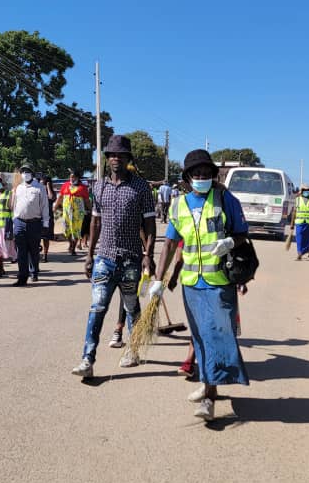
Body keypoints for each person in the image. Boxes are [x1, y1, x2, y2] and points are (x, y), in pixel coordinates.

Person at [150, 149, 250, 420]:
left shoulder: (225, 199)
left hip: (219, 281)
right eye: (197, 174)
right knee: (199, 335)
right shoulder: (179, 205)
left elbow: (242, 233)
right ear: (187, 177)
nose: (202, 177)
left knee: (215, 335)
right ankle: (208, 382)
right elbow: (170, 243)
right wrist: (159, 280)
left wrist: (230, 242)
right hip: (192, 283)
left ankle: (208, 395)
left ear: (213, 175)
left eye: (207, 173)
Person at [71, 135, 156, 378]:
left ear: (128, 158)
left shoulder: (141, 187)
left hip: (131, 260)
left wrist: (147, 254)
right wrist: (89, 255)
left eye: (120, 154)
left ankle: (133, 349)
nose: (115, 158)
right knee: (97, 307)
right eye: (111, 155)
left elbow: (150, 225)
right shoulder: (99, 187)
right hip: (104, 259)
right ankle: (87, 360)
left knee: (131, 307)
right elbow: (95, 222)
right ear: (107, 159)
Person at [9, 163, 50, 286]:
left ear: (32, 173)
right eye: (23, 172)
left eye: (27, 171)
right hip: (19, 222)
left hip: (34, 223)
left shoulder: (39, 187)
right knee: (21, 251)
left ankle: (34, 272)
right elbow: (14, 205)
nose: (25, 174)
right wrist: (14, 220)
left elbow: (44, 206)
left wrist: (46, 223)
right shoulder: (18, 188)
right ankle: (22, 277)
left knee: (33, 250)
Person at [54, 170, 90, 257]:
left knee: (76, 230)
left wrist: (91, 209)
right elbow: (60, 197)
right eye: (70, 177)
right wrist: (55, 206)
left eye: (73, 177)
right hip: (66, 211)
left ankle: (73, 248)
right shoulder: (65, 185)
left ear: (78, 178)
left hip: (78, 213)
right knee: (67, 229)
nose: (72, 178)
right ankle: (70, 243)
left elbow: (86, 200)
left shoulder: (83, 187)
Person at [291, 184, 309, 260]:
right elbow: (294, 212)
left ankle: (307, 252)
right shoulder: (297, 200)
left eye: (308, 191)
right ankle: (299, 253)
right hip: (300, 222)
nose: (306, 192)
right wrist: (292, 224)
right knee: (299, 238)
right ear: (302, 191)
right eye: (305, 191)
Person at [40, 175, 57, 262]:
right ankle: (37, 251)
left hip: (48, 217)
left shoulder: (51, 192)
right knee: (36, 237)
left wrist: (48, 187)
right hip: (38, 217)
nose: (41, 184)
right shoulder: (38, 191)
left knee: (46, 238)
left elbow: (52, 197)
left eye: (43, 183)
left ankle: (45, 254)